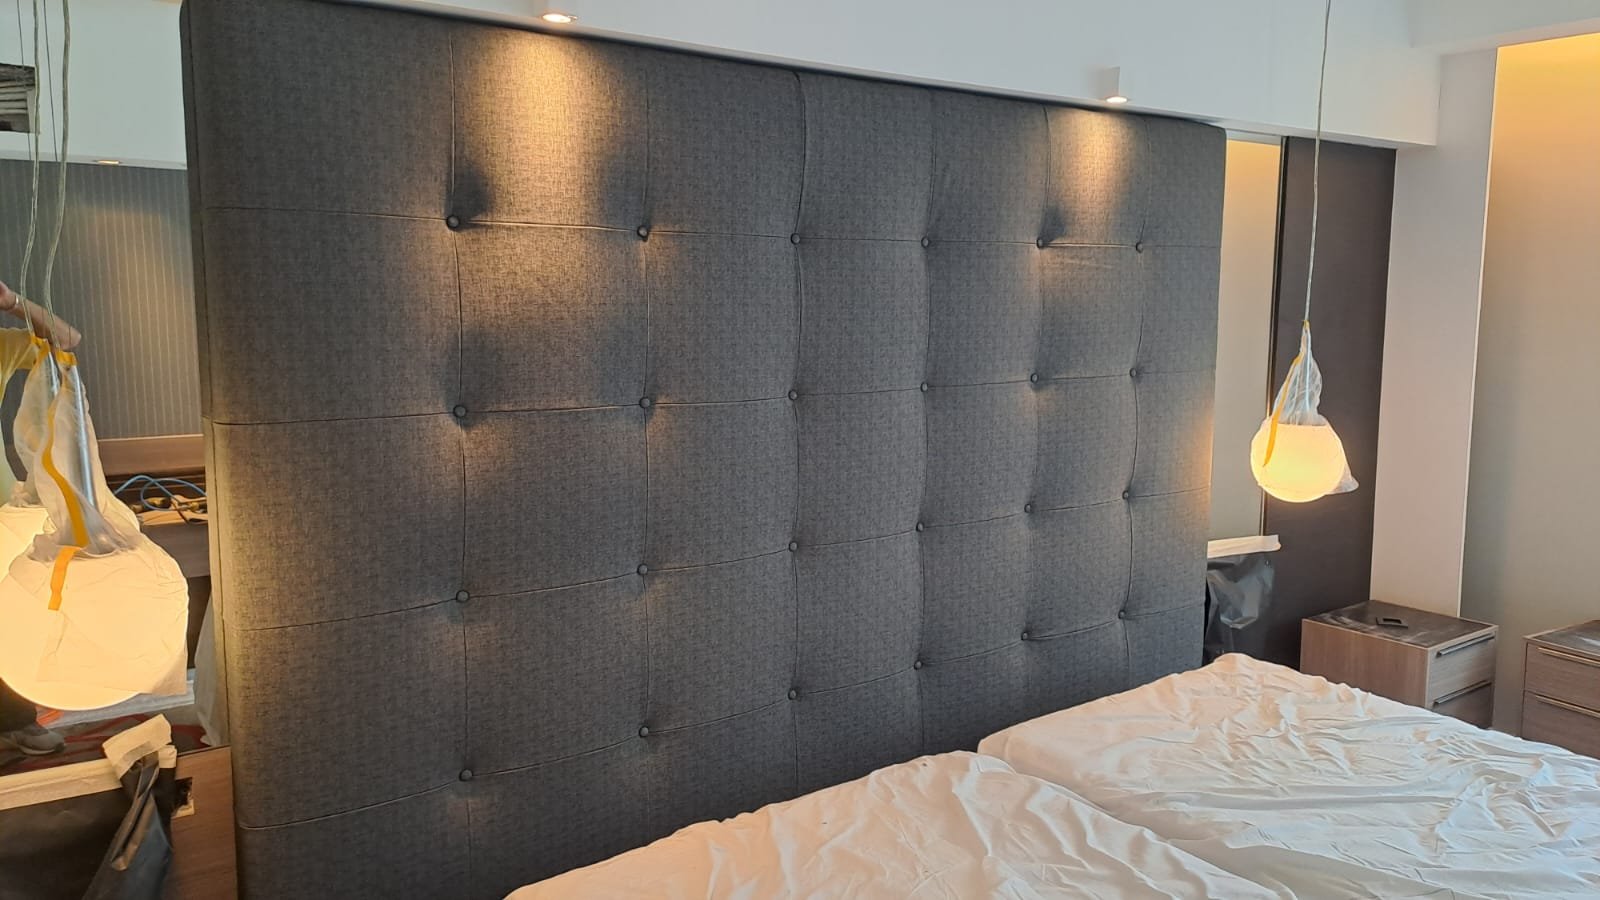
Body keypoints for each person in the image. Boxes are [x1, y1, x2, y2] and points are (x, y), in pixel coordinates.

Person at [0, 276, 78, 757]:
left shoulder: (2, 348)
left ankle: (14, 721)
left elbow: (66, 341)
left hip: (2, 507)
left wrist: (13, 303)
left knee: (8, 619)